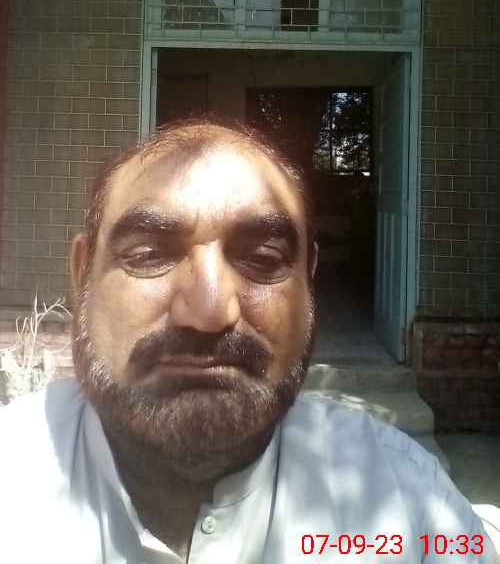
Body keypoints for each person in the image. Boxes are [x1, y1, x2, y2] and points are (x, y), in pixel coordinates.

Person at [0, 118, 498, 564]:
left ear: (309, 280)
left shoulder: (412, 503)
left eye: (262, 259)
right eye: (149, 255)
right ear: (82, 273)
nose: (209, 311)